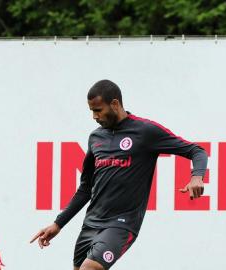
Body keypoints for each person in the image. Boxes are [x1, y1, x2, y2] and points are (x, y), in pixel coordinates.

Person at [30, 80, 208, 270]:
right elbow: (85, 189)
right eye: (91, 110)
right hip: (91, 225)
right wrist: (58, 224)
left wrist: (197, 176)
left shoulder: (145, 131)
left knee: (89, 269)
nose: (94, 116)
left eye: (98, 110)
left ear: (115, 104)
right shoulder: (95, 138)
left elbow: (196, 151)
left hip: (121, 224)